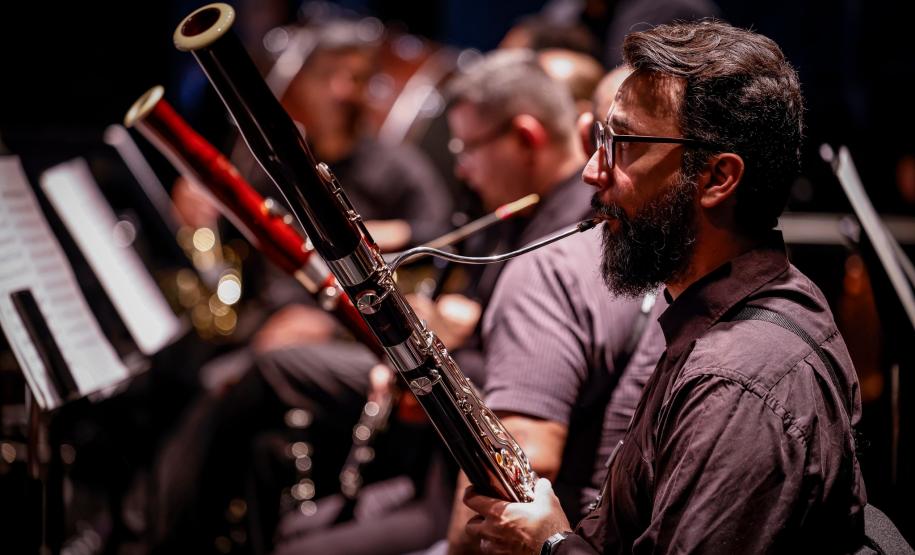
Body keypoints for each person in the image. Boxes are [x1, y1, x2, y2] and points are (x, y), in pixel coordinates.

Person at [461, 20, 867, 554]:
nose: (591, 172)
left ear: (718, 178)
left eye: (622, 144)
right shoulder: (731, 311)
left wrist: (552, 543)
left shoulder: (736, 386)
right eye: (600, 139)